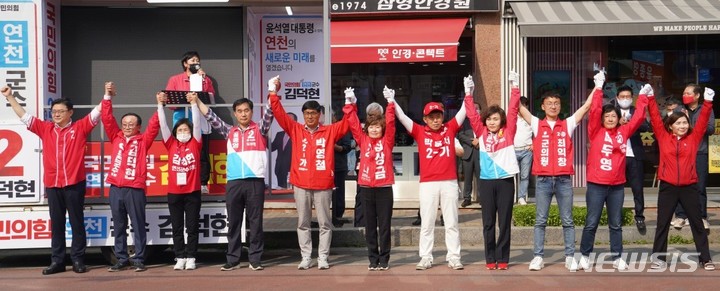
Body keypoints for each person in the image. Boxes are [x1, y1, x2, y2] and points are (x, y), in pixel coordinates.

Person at [1, 85, 102, 275]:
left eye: (60, 111)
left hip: (74, 183)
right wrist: (10, 97)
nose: (56, 114)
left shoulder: (79, 127)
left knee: (77, 222)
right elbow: (23, 116)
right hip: (53, 184)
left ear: (70, 112)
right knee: (56, 224)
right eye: (54, 111)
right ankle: (57, 261)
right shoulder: (45, 128)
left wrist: (106, 96)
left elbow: (97, 113)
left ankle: (78, 260)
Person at [269, 76, 350, 270]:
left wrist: (350, 105)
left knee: (325, 224)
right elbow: (279, 114)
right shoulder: (295, 129)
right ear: (303, 115)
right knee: (303, 223)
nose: (310, 117)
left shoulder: (329, 131)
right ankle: (306, 256)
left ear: (320, 115)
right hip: (301, 184)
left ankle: (323, 257)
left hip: (323, 185)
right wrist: (273, 93)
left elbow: (348, 124)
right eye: (307, 113)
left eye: (314, 113)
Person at [518, 69, 592, 272]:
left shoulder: (567, 124)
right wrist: (514, 87)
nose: (553, 106)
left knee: (567, 220)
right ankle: (538, 257)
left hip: (563, 180)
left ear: (561, 106)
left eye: (556, 103)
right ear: (542, 106)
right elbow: (519, 108)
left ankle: (570, 256)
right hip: (542, 180)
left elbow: (586, 107)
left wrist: (599, 87)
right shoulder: (536, 124)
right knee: (540, 220)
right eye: (549, 103)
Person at [394, 77, 471, 271]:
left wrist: (468, 92)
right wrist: (392, 102)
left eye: (439, 116)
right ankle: (425, 257)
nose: (436, 119)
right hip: (428, 184)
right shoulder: (419, 131)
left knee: (451, 222)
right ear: (425, 118)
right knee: (427, 222)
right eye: (432, 116)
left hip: (449, 182)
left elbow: (463, 112)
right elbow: (403, 118)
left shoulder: (450, 129)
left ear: (443, 116)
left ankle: (454, 256)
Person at [195, 87, 273, 271]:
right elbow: (210, 116)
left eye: (246, 110)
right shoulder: (229, 131)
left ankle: (255, 259)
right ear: (235, 114)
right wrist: (197, 101)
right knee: (234, 221)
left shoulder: (260, 129)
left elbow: (270, 112)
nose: (243, 114)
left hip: (255, 181)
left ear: (252, 112)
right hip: (234, 183)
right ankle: (233, 258)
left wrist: (272, 92)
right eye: (239, 111)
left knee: (255, 222)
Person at [578, 71, 648, 271]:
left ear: (619, 119)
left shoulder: (623, 131)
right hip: (597, 185)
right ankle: (585, 255)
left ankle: (617, 256)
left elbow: (638, 117)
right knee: (591, 222)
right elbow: (594, 110)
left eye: (613, 116)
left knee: (615, 224)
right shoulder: (595, 130)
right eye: (607, 116)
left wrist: (643, 98)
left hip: (617, 186)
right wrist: (598, 88)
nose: (610, 118)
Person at [646, 83, 715, 271]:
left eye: (685, 123)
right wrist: (651, 98)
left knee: (697, 224)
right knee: (662, 224)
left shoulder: (693, 139)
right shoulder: (663, 136)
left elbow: (702, 124)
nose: (683, 126)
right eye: (679, 123)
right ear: (671, 125)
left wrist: (708, 102)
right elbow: (655, 118)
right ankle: (659, 258)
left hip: (689, 187)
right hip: (668, 187)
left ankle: (705, 259)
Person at [464, 71, 521, 270]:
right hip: (486, 182)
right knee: (488, 223)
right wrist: (468, 93)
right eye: (489, 119)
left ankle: (503, 259)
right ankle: (490, 259)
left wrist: (515, 87)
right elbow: (472, 115)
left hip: (505, 181)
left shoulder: (509, 132)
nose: (491, 122)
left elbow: (513, 111)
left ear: (501, 120)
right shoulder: (481, 132)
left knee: (504, 222)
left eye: (495, 119)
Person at [102, 82, 160, 272]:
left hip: (135, 189)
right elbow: (107, 119)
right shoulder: (116, 137)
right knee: (118, 225)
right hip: (115, 188)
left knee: (137, 224)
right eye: (125, 124)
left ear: (138, 127)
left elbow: (154, 125)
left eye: (131, 124)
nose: (127, 127)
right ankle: (120, 258)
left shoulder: (143, 140)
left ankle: (140, 258)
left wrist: (160, 104)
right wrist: (107, 96)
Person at [343, 87, 396, 271]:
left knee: (385, 225)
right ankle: (372, 259)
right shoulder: (362, 140)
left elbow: (390, 122)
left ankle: (384, 259)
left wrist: (390, 104)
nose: (374, 130)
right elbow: (353, 124)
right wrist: (350, 103)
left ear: (382, 129)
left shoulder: (387, 141)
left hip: (384, 188)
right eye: (371, 127)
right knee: (370, 225)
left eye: (377, 127)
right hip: (366, 187)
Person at [156, 92, 203, 270]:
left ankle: (191, 257)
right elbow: (163, 125)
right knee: (177, 226)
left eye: (187, 130)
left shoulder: (195, 143)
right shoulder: (171, 144)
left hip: (192, 192)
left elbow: (197, 123)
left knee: (191, 226)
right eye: (181, 130)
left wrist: (193, 104)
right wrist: (160, 105)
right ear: (176, 133)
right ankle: (179, 256)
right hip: (174, 193)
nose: (184, 133)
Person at [166, 51, 216, 195]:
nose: (196, 62)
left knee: (202, 153)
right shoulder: (175, 79)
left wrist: (203, 80)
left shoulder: (205, 78)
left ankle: (203, 183)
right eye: (192, 60)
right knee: (180, 152)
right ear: (185, 63)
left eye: (197, 60)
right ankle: (180, 181)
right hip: (182, 120)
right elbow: (170, 102)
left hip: (200, 119)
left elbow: (211, 99)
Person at [671, 83, 715, 231]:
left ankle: (701, 217)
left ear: (697, 95)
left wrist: (690, 124)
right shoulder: (679, 110)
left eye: (688, 93)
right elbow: (671, 127)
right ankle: (681, 216)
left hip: (700, 152)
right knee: (680, 185)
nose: (685, 95)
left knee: (700, 186)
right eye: (684, 93)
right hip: (681, 153)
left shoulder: (706, 109)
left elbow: (710, 129)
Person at [613, 85, 651, 233]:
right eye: (622, 97)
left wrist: (631, 123)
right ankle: (616, 216)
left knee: (637, 187)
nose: (625, 99)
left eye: (628, 97)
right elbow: (603, 126)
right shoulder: (613, 111)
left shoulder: (636, 111)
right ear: (617, 98)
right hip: (617, 155)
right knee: (616, 188)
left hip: (634, 154)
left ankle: (639, 216)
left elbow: (646, 126)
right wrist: (618, 123)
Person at [457, 102, 481, 208]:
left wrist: (479, 141)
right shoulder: (464, 122)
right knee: (468, 177)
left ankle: (482, 198)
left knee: (481, 177)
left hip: (480, 152)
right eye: (473, 108)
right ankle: (467, 198)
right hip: (468, 153)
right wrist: (472, 141)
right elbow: (460, 135)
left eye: (477, 108)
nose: (475, 110)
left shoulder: (484, 122)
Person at [332, 108, 353, 228]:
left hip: (338, 166)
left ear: (335, 118)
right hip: (323, 167)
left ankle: (338, 216)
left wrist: (334, 146)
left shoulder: (342, 129)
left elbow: (347, 147)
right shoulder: (322, 129)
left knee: (339, 193)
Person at [514, 96, 533, 205]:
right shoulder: (511, 118)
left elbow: (538, 133)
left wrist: (534, 144)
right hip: (513, 150)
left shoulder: (531, 119)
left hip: (527, 151)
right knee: (511, 176)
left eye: (524, 105)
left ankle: (521, 197)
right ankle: (512, 196)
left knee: (524, 176)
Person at [271, 113, 296, 189]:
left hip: (292, 169)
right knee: (282, 191)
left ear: (295, 122)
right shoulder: (279, 134)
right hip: (280, 168)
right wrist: (264, 137)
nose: (287, 121)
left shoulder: (298, 134)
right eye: (285, 119)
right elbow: (272, 148)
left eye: (289, 119)